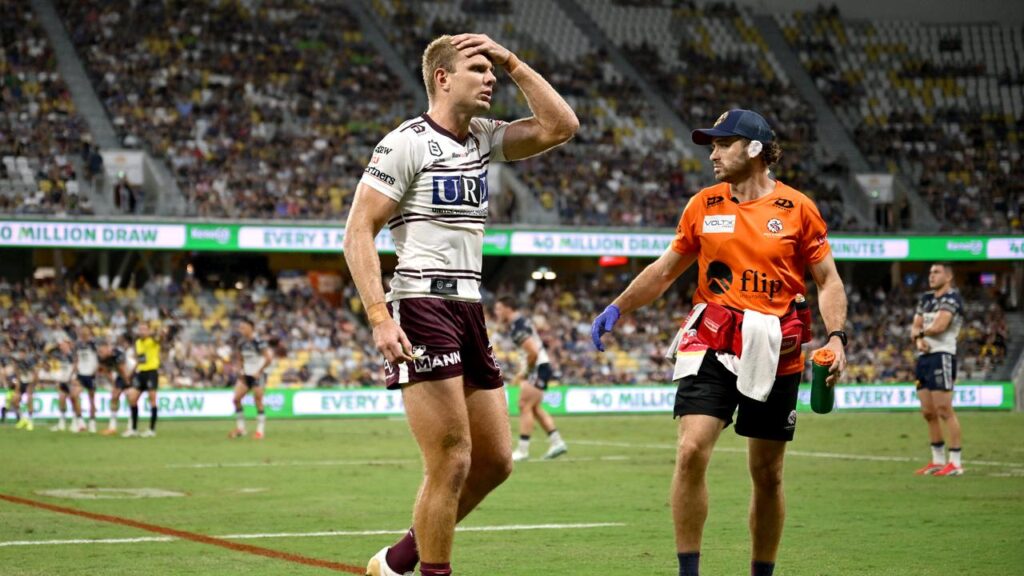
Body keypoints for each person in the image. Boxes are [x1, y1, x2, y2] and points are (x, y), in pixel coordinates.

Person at [344, 33, 577, 576]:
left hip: (469, 305)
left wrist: (514, 61)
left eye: (492, 70)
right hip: (421, 301)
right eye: (479, 69)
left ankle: (396, 561)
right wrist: (379, 317)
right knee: (451, 459)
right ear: (443, 78)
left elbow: (561, 127)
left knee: (494, 462)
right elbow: (359, 230)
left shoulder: (483, 138)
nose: (491, 78)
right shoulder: (405, 142)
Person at [591, 109, 848, 576]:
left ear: (753, 149)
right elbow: (666, 271)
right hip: (711, 337)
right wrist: (618, 307)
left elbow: (828, 281)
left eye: (722, 144)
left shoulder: (798, 209)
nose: (712, 154)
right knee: (690, 451)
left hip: (776, 347)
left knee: (767, 475)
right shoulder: (703, 206)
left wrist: (837, 337)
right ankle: (688, 572)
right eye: (710, 145)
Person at [493, 295, 567, 462]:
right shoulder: (520, 323)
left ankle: (523, 450)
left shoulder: (518, 326)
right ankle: (557, 442)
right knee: (534, 407)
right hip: (541, 366)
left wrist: (525, 372)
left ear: (508, 308)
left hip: (537, 367)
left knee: (524, 405)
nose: (496, 312)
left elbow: (532, 352)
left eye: (499, 308)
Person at [911, 263, 965, 476]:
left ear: (949, 276)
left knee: (944, 410)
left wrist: (920, 335)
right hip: (924, 357)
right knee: (928, 412)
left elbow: (940, 326)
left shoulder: (952, 299)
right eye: (930, 273)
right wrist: (918, 341)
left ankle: (956, 462)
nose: (931, 276)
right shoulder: (926, 299)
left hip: (942, 356)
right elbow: (914, 326)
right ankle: (937, 460)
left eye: (937, 272)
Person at [228, 318, 273, 440]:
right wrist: (240, 369)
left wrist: (259, 371)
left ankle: (260, 431)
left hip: (258, 374)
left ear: (250, 328)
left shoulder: (259, 341)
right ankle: (241, 429)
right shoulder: (241, 343)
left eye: (243, 327)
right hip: (246, 374)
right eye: (240, 327)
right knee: (236, 399)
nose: (240, 330)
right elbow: (240, 358)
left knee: (258, 401)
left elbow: (268, 358)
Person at [124, 323, 161, 438]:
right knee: (132, 399)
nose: (142, 331)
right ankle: (134, 429)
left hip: (151, 372)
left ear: (149, 331)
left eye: (144, 329)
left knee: (152, 400)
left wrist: (159, 332)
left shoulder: (153, 340)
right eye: (140, 329)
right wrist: (131, 372)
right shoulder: (138, 342)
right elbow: (140, 359)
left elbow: (161, 338)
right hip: (141, 373)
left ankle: (151, 429)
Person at [98, 337, 134, 436]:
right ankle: (112, 427)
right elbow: (106, 372)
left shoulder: (118, 353)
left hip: (131, 372)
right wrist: (114, 384)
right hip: (120, 374)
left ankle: (131, 426)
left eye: (102, 350)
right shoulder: (102, 358)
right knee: (114, 397)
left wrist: (128, 384)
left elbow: (123, 370)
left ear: (107, 348)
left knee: (131, 398)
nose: (100, 353)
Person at [71, 326, 101, 433]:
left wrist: (95, 371)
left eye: (86, 333)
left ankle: (92, 422)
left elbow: (99, 358)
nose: (84, 335)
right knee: (74, 396)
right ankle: (80, 420)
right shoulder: (77, 345)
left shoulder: (93, 344)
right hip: (81, 374)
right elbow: (76, 359)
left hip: (91, 374)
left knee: (91, 399)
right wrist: (74, 373)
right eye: (82, 333)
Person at [49, 341, 79, 433]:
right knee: (62, 399)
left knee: (73, 400)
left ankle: (75, 422)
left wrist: (72, 377)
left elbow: (75, 365)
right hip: (63, 380)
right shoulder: (60, 356)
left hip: (71, 380)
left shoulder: (71, 355)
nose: (62, 347)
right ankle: (61, 422)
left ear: (68, 346)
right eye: (61, 346)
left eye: (64, 345)